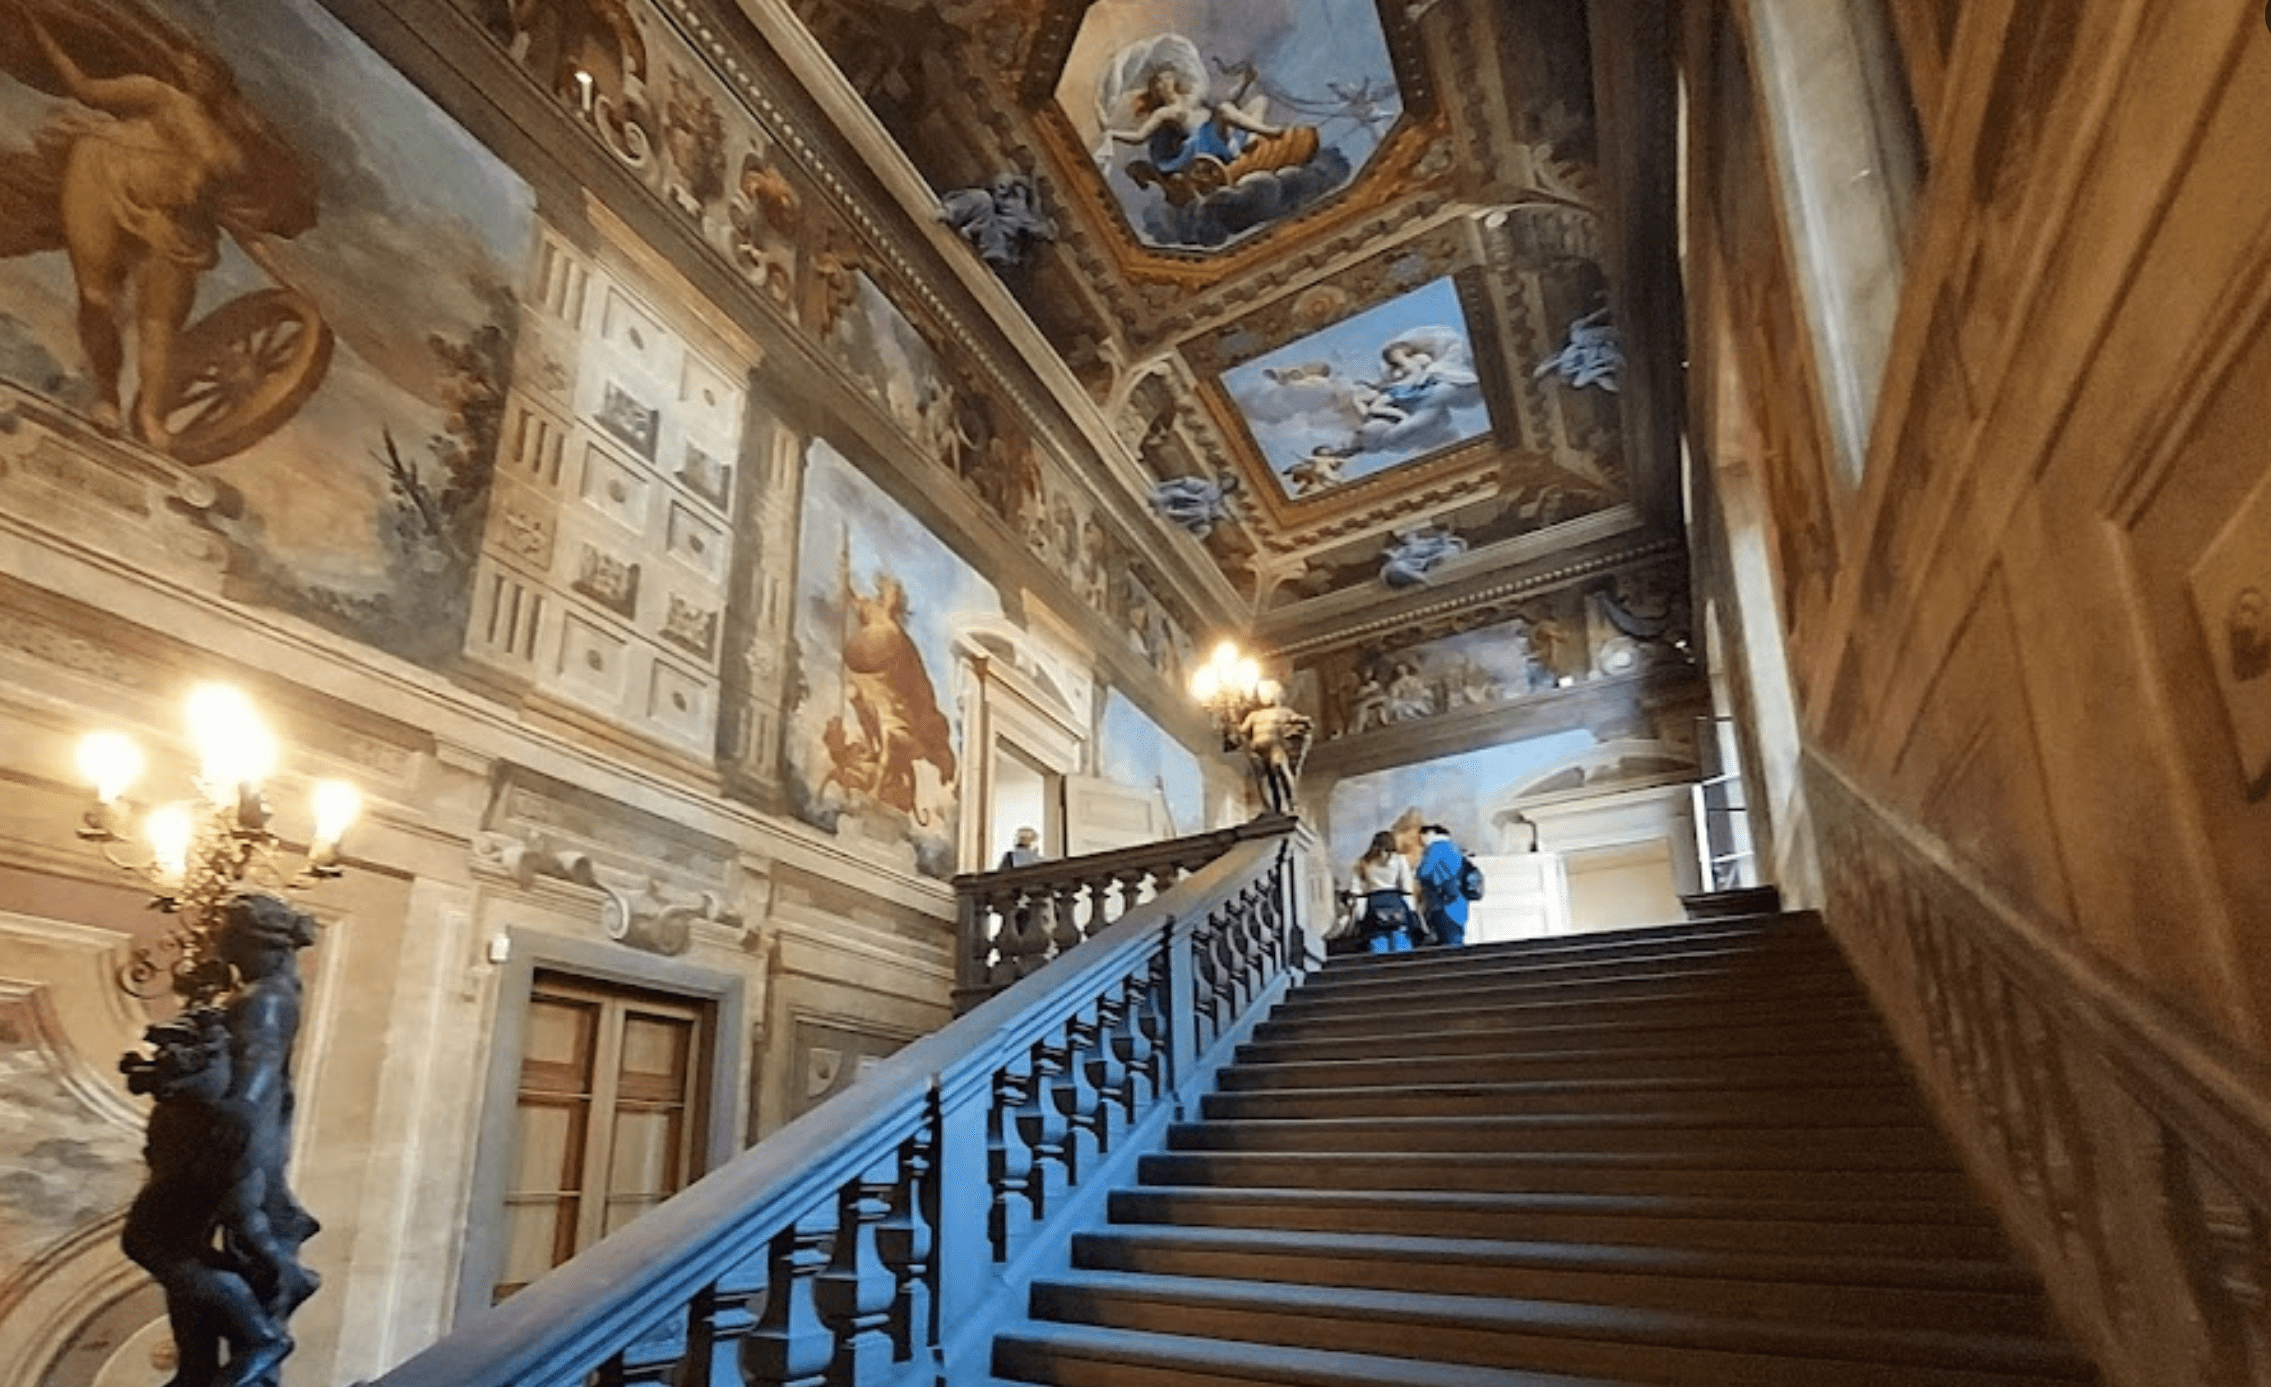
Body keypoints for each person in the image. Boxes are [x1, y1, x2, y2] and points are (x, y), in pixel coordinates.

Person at [0, 1, 319, 453]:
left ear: (219, 85)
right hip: (103, 179)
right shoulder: (158, 96)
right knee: (96, 299)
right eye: (191, 66)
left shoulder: (231, 153)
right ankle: (107, 394)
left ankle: (150, 417)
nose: (195, 73)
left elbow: (241, 225)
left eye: (205, 70)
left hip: (176, 229)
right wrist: (40, 31)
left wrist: (289, 282)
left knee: (159, 327)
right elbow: (84, 88)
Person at [1348, 830, 1420, 954]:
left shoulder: (1363, 862)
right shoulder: (1399, 860)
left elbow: (1356, 889)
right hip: (1395, 900)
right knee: (1400, 938)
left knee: (1377, 939)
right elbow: (1406, 886)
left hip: (1374, 902)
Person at [1414, 823, 1473, 949]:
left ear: (1429, 833)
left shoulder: (1435, 848)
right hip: (1459, 902)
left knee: (1446, 942)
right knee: (1456, 939)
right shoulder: (1455, 847)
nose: (1420, 841)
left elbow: (1423, 872)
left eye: (1421, 837)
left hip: (1442, 903)